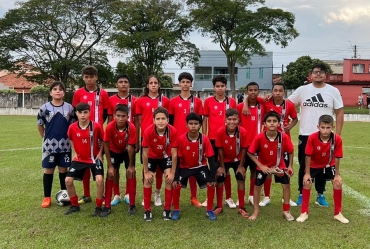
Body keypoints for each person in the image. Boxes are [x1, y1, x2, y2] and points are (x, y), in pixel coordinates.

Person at [287, 63, 344, 207]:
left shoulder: (333, 91)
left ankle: (320, 194)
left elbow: (339, 112)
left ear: (326, 75)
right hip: (306, 134)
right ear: (310, 75)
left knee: (323, 166)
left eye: (321, 72)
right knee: (303, 166)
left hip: (326, 135)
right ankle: (302, 192)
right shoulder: (302, 90)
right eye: (315, 72)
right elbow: (286, 103)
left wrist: (337, 135)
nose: (318, 74)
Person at [243, 83, 298, 207]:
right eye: (275, 90)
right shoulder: (266, 102)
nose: (277, 93)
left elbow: (295, 118)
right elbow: (250, 96)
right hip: (267, 140)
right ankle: (266, 196)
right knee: (268, 167)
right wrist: (245, 104)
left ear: (284, 92)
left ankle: (286, 198)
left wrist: (291, 126)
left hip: (283, 140)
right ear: (272, 92)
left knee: (285, 169)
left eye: (280, 91)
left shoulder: (289, 105)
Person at [296, 115, 348, 223]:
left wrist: (337, 174)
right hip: (314, 165)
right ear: (318, 127)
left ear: (332, 127)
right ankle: (304, 212)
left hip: (329, 164)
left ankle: (338, 213)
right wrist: (307, 173)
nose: (325, 130)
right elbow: (308, 156)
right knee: (307, 182)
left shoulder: (337, 139)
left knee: (337, 183)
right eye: (323, 127)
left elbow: (338, 157)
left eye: (328, 127)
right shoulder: (312, 137)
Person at [247, 111, 295, 221]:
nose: (272, 123)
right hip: (264, 167)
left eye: (274, 121)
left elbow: (291, 151)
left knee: (286, 186)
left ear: (279, 124)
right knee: (257, 187)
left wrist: (290, 166)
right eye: (269, 121)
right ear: (264, 123)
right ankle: (256, 211)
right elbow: (250, 152)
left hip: (279, 166)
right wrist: (261, 165)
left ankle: (286, 211)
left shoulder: (283, 137)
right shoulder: (259, 137)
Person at [72, 65, 109, 205]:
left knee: (98, 161)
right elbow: (76, 112)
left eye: (91, 77)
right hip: (83, 133)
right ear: (83, 78)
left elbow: (105, 112)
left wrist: (98, 126)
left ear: (96, 77)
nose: (89, 79)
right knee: (84, 162)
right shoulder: (78, 93)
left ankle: (102, 194)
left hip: (98, 134)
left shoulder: (103, 93)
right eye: (86, 77)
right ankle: (86, 194)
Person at [172, 113, 217, 221]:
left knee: (211, 184)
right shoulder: (181, 139)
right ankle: (176, 210)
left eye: (196, 124)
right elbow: (177, 160)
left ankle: (209, 210)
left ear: (200, 125)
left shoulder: (205, 139)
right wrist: (176, 176)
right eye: (190, 123)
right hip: (185, 167)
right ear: (186, 125)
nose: (193, 126)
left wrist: (212, 176)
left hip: (200, 167)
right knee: (176, 184)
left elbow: (211, 158)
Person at [37, 81, 75, 208]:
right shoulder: (44, 108)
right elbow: (40, 125)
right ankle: (46, 197)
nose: (58, 91)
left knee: (63, 169)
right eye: (55, 89)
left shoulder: (69, 108)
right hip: (49, 145)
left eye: (60, 89)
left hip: (65, 145)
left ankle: (65, 194)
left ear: (64, 92)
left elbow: (73, 126)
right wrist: (45, 139)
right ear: (50, 92)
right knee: (48, 170)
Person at [169, 72, 203, 208]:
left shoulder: (198, 101)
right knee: (176, 168)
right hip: (177, 140)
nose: (185, 84)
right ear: (179, 83)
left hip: (192, 140)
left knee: (193, 167)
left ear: (191, 84)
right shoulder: (173, 102)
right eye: (183, 82)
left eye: (188, 82)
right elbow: (170, 122)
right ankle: (172, 197)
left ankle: (193, 197)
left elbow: (199, 122)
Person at [64, 102, 105, 216]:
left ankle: (98, 207)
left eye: (85, 112)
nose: (83, 115)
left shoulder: (96, 126)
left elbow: (103, 140)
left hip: (94, 158)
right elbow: (71, 138)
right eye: (80, 112)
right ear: (76, 113)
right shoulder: (72, 127)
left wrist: (101, 153)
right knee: (68, 180)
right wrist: (74, 152)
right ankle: (74, 205)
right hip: (79, 159)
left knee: (99, 180)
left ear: (89, 113)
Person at [202, 75, 237, 208]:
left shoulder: (231, 102)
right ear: (214, 87)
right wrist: (205, 135)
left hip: (228, 140)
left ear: (226, 87)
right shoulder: (208, 101)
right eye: (217, 86)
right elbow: (205, 119)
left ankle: (228, 197)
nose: (220, 88)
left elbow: (235, 120)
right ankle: (209, 197)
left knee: (225, 168)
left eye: (222, 86)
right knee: (213, 169)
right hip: (212, 139)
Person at [135, 75, 170, 206]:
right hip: (147, 139)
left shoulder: (165, 100)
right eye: (151, 83)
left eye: (156, 83)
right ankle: (146, 196)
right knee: (147, 169)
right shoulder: (140, 101)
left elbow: (168, 120)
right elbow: (138, 122)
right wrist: (139, 139)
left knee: (161, 168)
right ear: (147, 85)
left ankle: (157, 194)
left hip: (162, 139)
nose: (153, 85)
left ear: (159, 85)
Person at [107, 74, 138, 206]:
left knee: (130, 168)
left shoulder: (135, 100)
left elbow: (136, 121)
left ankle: (128, 194)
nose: (123, 84)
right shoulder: (111, 100)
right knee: (115, 170)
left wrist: (136, 141)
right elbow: (109, 120)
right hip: (114, 141)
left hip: (129, 140)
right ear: (116, 85)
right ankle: (117, 194)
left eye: (126, 82)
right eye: (121, 82)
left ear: (129, 85)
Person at [142, 107, 177, 221]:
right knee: (147, 180)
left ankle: (167, 210)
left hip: (165, 157)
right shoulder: (148, 131)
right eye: (158, 119)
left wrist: (172, 172)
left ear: (167, 120)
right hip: (152, 157)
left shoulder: (172, 131)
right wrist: (146, 172)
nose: (160, 121)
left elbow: (175, 154)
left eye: (163, 119)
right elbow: (145, 154)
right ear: (154, 120)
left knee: (168, 179)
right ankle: (147, 211)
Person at [214, 108, 250, 218]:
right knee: (220, 177)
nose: (232, 122)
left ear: (238, 120)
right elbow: (219, 149)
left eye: (234, 119)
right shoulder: (220, 131)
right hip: (224, 159)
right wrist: (222, 167)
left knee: (240, 177)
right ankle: (219, 206)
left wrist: (241, 166)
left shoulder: (242, 132)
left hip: (237, 159)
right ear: (225, 119)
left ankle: (242, 207)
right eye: (229, 119)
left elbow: (244, 149)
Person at [103, 104, 137, 216]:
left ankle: (132, 205)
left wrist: (131, 165)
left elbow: (131, 148)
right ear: (114, 116)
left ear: (128, 116)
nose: (121, 118)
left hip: (126, 151)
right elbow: (106, 147)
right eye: (118, 116)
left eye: (123, 116)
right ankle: (107, 206)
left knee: (131, 173)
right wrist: (110, 166)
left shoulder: (131, 127)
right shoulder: (109, 127)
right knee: (110, 174)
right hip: (113, 151)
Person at [237, 82, 265, 206]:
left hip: (257, 146)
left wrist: (246, 101)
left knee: (254, 171)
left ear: (258, 91)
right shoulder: (239, 108)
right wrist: (245, 103)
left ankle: (252, 196)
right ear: (247, 91)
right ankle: (241, 198)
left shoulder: (262, 106)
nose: (253, 92)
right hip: (243, 145)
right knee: (242, 171)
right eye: (250, 90)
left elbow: (264, 99)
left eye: (255, 90)